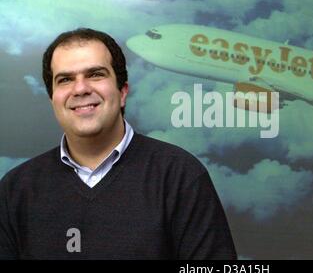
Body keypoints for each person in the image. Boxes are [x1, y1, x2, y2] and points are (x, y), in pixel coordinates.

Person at [0, 28, 236, 260]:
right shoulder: (15, 189)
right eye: (65, 79)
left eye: (95, 74)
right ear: (53, 98)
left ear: (123, 91)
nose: (80, 88)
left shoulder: (180, 175)